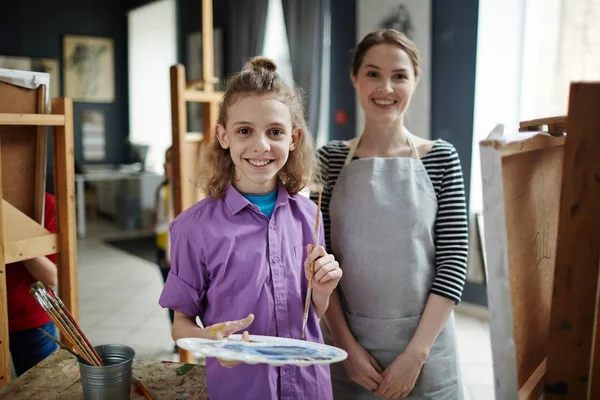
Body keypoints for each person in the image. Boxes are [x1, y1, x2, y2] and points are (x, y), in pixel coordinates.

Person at [159, 56, 342, 400]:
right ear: (223, 136)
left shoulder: (310, 216)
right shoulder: (192, 229)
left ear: (293, 138)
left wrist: (323, 290)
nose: (261, 145)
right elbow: (180, 325)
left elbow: (309, 315)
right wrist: (210, 340)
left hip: (309, 387)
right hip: (241, 390)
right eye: (245, 131)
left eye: (275, 132)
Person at [313, 29, 468, 399]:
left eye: (399, 75)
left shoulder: (441, 159)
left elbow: (453, 262)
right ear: (355, 78)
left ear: (415, 80)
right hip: (348, 349)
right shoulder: (330, 160)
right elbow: (319, 261)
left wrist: (416, 355)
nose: (385, 87)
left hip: (425, 348)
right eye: (372, 73)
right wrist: (348, 349)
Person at [7, 193, 59, 376]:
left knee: (43, 389)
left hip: (32, 320)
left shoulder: (42, 202)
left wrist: (12, 226)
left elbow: (50, 277)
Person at [154, 146, 174, 325]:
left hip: (176, 250)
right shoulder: (163, 189)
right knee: (172, 298)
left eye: (170, 161)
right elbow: (160, 222)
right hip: (163, 249)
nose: (165, 165)